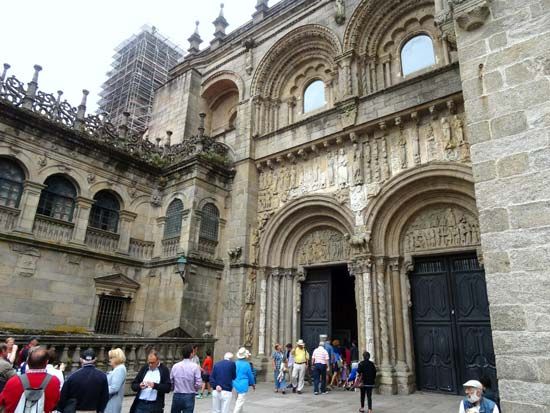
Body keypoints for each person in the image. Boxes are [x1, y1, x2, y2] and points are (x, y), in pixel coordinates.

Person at [0, 347, 60, 413]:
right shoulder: (54, 381)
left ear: (27, 362)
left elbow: (2, 401)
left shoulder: (13, 381)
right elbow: (55, 402)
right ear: (46, 362)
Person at [57, 348, 109, 413]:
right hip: (94, 410)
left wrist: (61, 409)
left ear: (81, 359)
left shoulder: (72, 376)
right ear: (95, 359)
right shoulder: (102, 376)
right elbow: (105, 397)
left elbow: (63, 397)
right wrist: (100, 410)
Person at [170, 344, 202, 413]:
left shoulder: (175, 366)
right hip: (189, 394)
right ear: (191, 354)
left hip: (177, 394)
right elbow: (199, 383)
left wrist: (173, 388)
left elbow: (171, 380)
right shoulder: (195, 367)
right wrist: (195, 389)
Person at [232, 348, 255, 413]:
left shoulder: (235, 363)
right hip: (243, 384)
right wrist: (252, 383)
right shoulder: (247, 364)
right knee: (239, 403)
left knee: (238, 401)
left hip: (235, 384)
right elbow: (250, 375)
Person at [105, 348, 127, 413]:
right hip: (110, 402)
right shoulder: (117, 369)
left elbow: (114, 388)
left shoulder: (120, 369)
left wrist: (101, 389)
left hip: (112, 403)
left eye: (111, 358)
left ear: (117, 358)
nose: (109, 360)